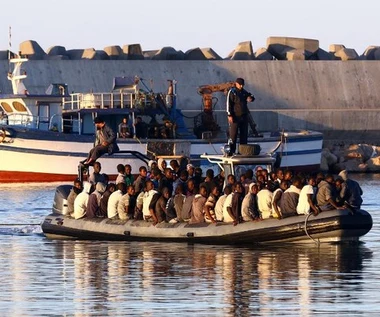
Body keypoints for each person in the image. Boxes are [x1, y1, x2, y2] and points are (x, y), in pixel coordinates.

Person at [226, 77, 255, 155]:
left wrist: (250, 98)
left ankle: (242, 151)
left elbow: (251, 96)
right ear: (236, 84)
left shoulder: (244, 92)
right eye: (240, 85)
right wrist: (229, 114)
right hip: (235, 116)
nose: (241, 86)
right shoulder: (232, 92)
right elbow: (229, 104)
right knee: (233, 135)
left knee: (244, 134)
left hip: (244, 116)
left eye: (242, 85)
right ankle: (231, 151)